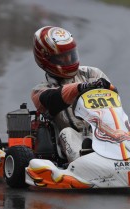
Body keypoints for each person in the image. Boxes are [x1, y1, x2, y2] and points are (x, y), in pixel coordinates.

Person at [31, 26, 115, 163]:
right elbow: (53, 99)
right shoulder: (40, 90)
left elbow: (114, 98)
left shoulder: (92, 74)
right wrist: (80, 88)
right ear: (45, 59)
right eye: (61, 57)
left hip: (104, 132)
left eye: (71, 54)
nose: (68, 59)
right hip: (72, 140)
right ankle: (84, 162)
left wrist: (107, 88)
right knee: (67, 133)